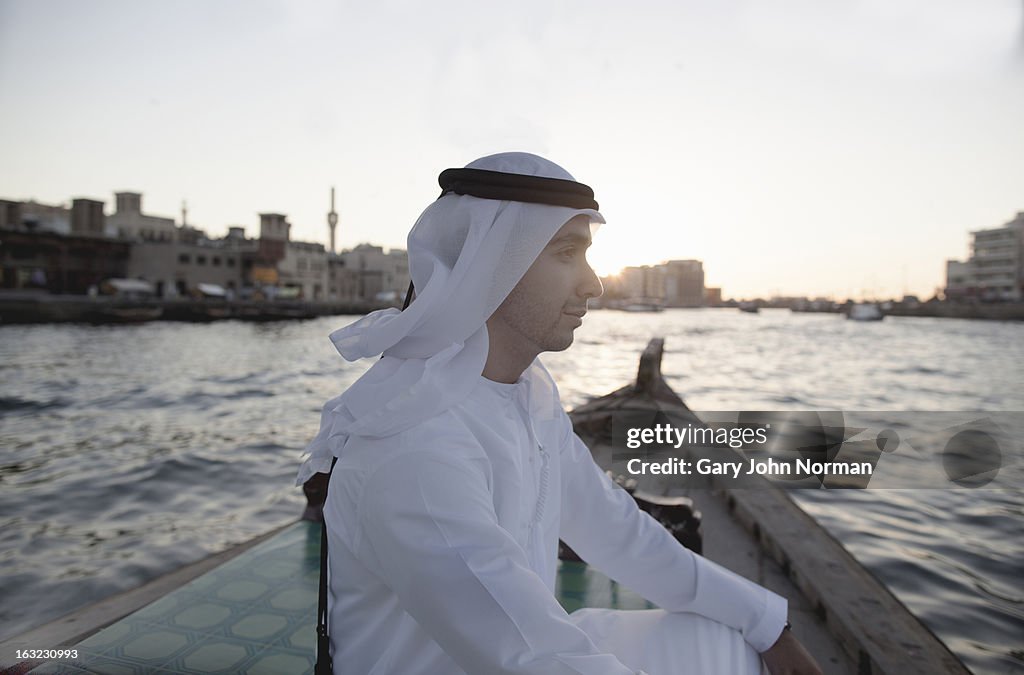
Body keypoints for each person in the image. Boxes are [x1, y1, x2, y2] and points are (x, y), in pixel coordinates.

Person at [296, 152, 821, 675]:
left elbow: (618, 531)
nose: (593, 284)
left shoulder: (525, 397)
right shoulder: (415, 448)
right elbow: (534, 658)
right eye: (567, 253)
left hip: (529, 646)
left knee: (732, 644)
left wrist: (768, 623)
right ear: (494, 263)